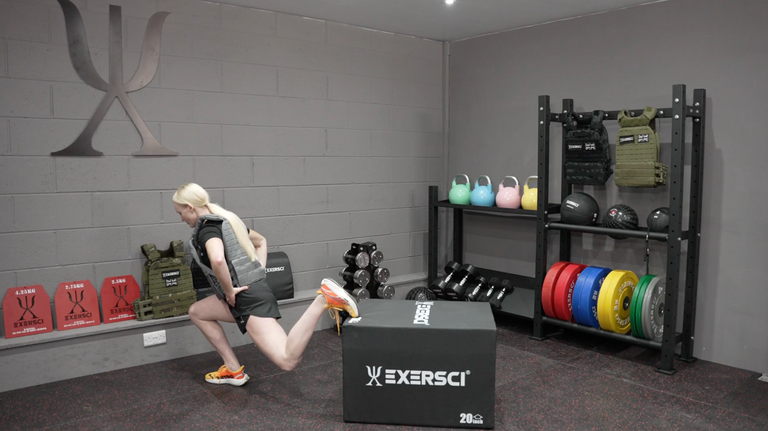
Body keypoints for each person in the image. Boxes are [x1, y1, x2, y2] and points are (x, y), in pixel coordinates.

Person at [172, 183, 359, 386]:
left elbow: (217, 259)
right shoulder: (227, 220)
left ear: (190, 207)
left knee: (288, 360)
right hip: (248, 291)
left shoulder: (207, 229)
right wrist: (257, 274)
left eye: (180, 213)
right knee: (197, 311)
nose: (181, 218)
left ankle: (322, 300)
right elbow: (261, 241)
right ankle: (233, 369)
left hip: (246, 298)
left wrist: (229, 290)